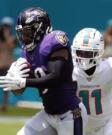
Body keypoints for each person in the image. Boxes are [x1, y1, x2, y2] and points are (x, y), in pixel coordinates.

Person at [0, 7, 87, 135]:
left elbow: (55, 77)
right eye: (22, 33)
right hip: (48, 114)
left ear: (40, 29)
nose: (24, 37)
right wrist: (15, 81)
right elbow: (19, 91)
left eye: (27, 33)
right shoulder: (26, 52)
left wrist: (24, 82)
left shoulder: (54, 41)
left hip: (70, 113)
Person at [0, 18, 16, 112]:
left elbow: (11, 46)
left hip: (8, 66)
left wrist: (6, 36)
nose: (6, 28)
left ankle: (4, 105)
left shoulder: (12, 38)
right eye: (5, 26)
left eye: (8, 27)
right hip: (1, 65)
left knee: (6, 87)